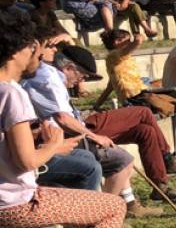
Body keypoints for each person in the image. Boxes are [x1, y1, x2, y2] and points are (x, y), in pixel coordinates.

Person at [0, 16, 153, 228]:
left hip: (8, 199)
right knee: (113, 207)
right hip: (15, 204)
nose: (42, 54)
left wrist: (36, 139)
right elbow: (27, 162)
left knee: (93, 206)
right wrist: (54, 146)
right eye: (37, 47)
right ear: (17, 51)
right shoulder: (12, 95)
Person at [22, 44, 164, 218]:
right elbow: (62, 119)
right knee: (127, 147)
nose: (82, 81)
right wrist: (94, 136)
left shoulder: (50, 77)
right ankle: (99, 215)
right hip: (65, 135)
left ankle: (129, 204)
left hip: (72, 129)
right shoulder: (49, 78)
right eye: (83, 75)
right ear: (69, 68)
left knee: (144, 131)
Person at [93, 29, 176, 162]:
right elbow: (138, 41)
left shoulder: (118, 60)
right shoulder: (115, 55)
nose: (130, 43)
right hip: (136, 99)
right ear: (117, 42)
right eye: (126, 40)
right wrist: (137, 35)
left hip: (143, 94)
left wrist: (97, 104)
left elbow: (111, 85)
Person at [19, 0, 100, 82]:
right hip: (42, 44)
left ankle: (83, 74)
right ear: (42, 3)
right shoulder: (31, 15)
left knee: (74, 41)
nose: (54, 0)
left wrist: (66, 36)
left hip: (53, 41)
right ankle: (81, 81)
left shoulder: (50, 14)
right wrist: (55, 33)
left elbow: (62, 29)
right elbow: (35, 34)